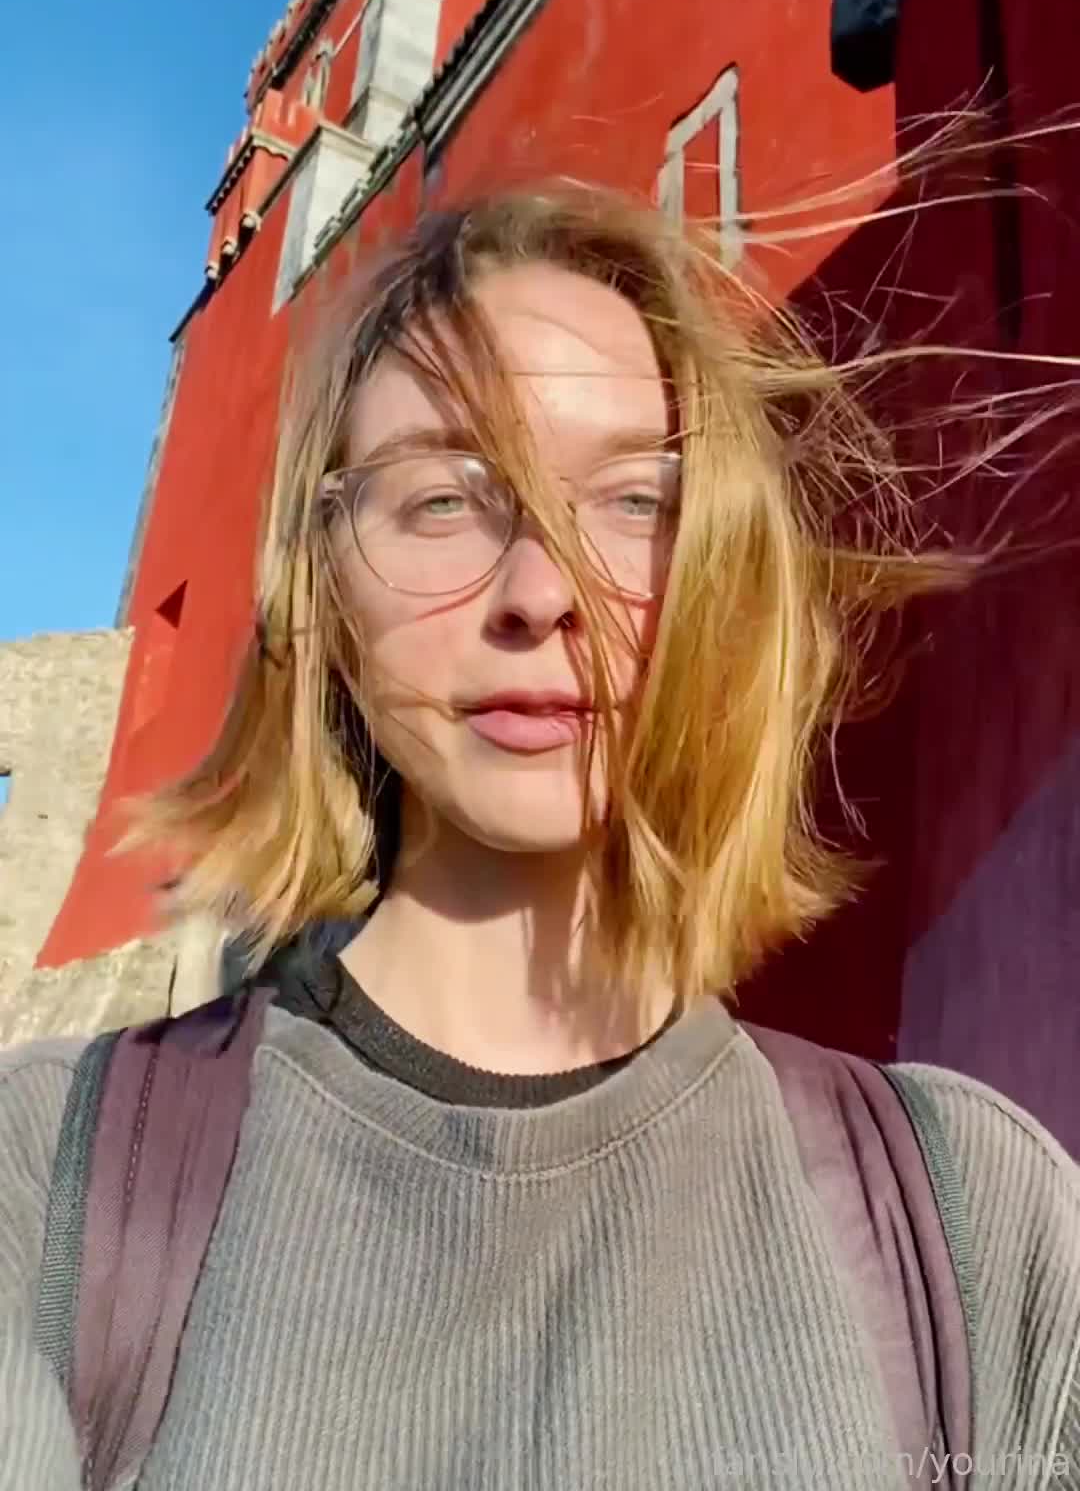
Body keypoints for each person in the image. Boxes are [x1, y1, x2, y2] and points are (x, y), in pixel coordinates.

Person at [2, 186, 1077, 1490]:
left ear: (726, 579)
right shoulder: (43, 1184)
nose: (540, 592)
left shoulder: (975, 1224)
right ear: (324, 588)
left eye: (634, 501)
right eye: (442, 501)